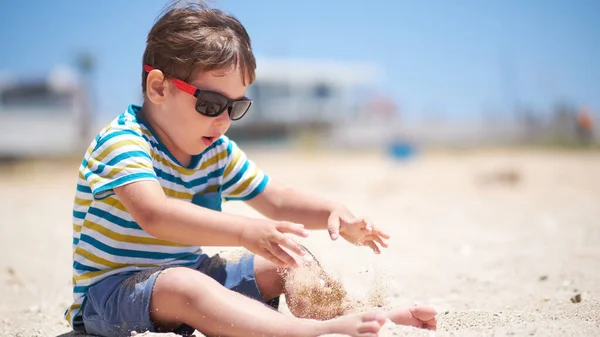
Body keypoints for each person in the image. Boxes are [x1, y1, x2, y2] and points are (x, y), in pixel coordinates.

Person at [64, 2, 437, 336]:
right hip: (113, 294)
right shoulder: (123, 142)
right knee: (186, 286)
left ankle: (352, 317)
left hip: (192, 275)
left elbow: (276, 200)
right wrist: (243, 231)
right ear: (159, 87)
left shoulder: (216, 150)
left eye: (236, 107)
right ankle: (297, 332)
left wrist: (332, 213)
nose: (224, 120)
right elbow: (154, 214)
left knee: (288, 260)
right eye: (210, 104)